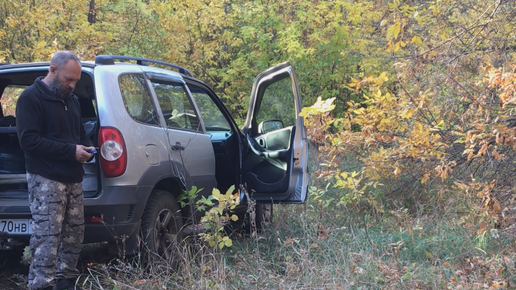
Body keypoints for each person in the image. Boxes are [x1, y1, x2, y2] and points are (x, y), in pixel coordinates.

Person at [16, 51, 94, 290]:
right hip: (46, 178)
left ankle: (66, 282)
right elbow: (29, 141)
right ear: (52, 70)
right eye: (68, 79)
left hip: (73, 178)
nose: (72, 85)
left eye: (75, 81)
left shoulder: (71, 100)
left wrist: (87, 148)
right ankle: (41, 285)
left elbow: (78, 134)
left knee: (74, 235)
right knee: (47, 239)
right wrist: (71, 151)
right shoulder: (30, 98)